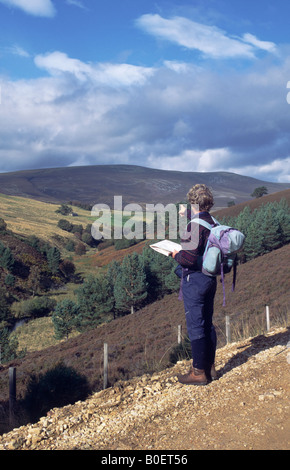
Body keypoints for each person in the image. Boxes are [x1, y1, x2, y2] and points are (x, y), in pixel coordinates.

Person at [171, 184, 218, 385]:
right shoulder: (213, 222)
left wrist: (174, 254)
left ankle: (198, 373)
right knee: (207, 323)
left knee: (196, 325)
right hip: (210, 278)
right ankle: (210, 368)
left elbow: (188, 259)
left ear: (192, 202)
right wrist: (187, 216)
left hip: (195, 281)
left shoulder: (195, 226)